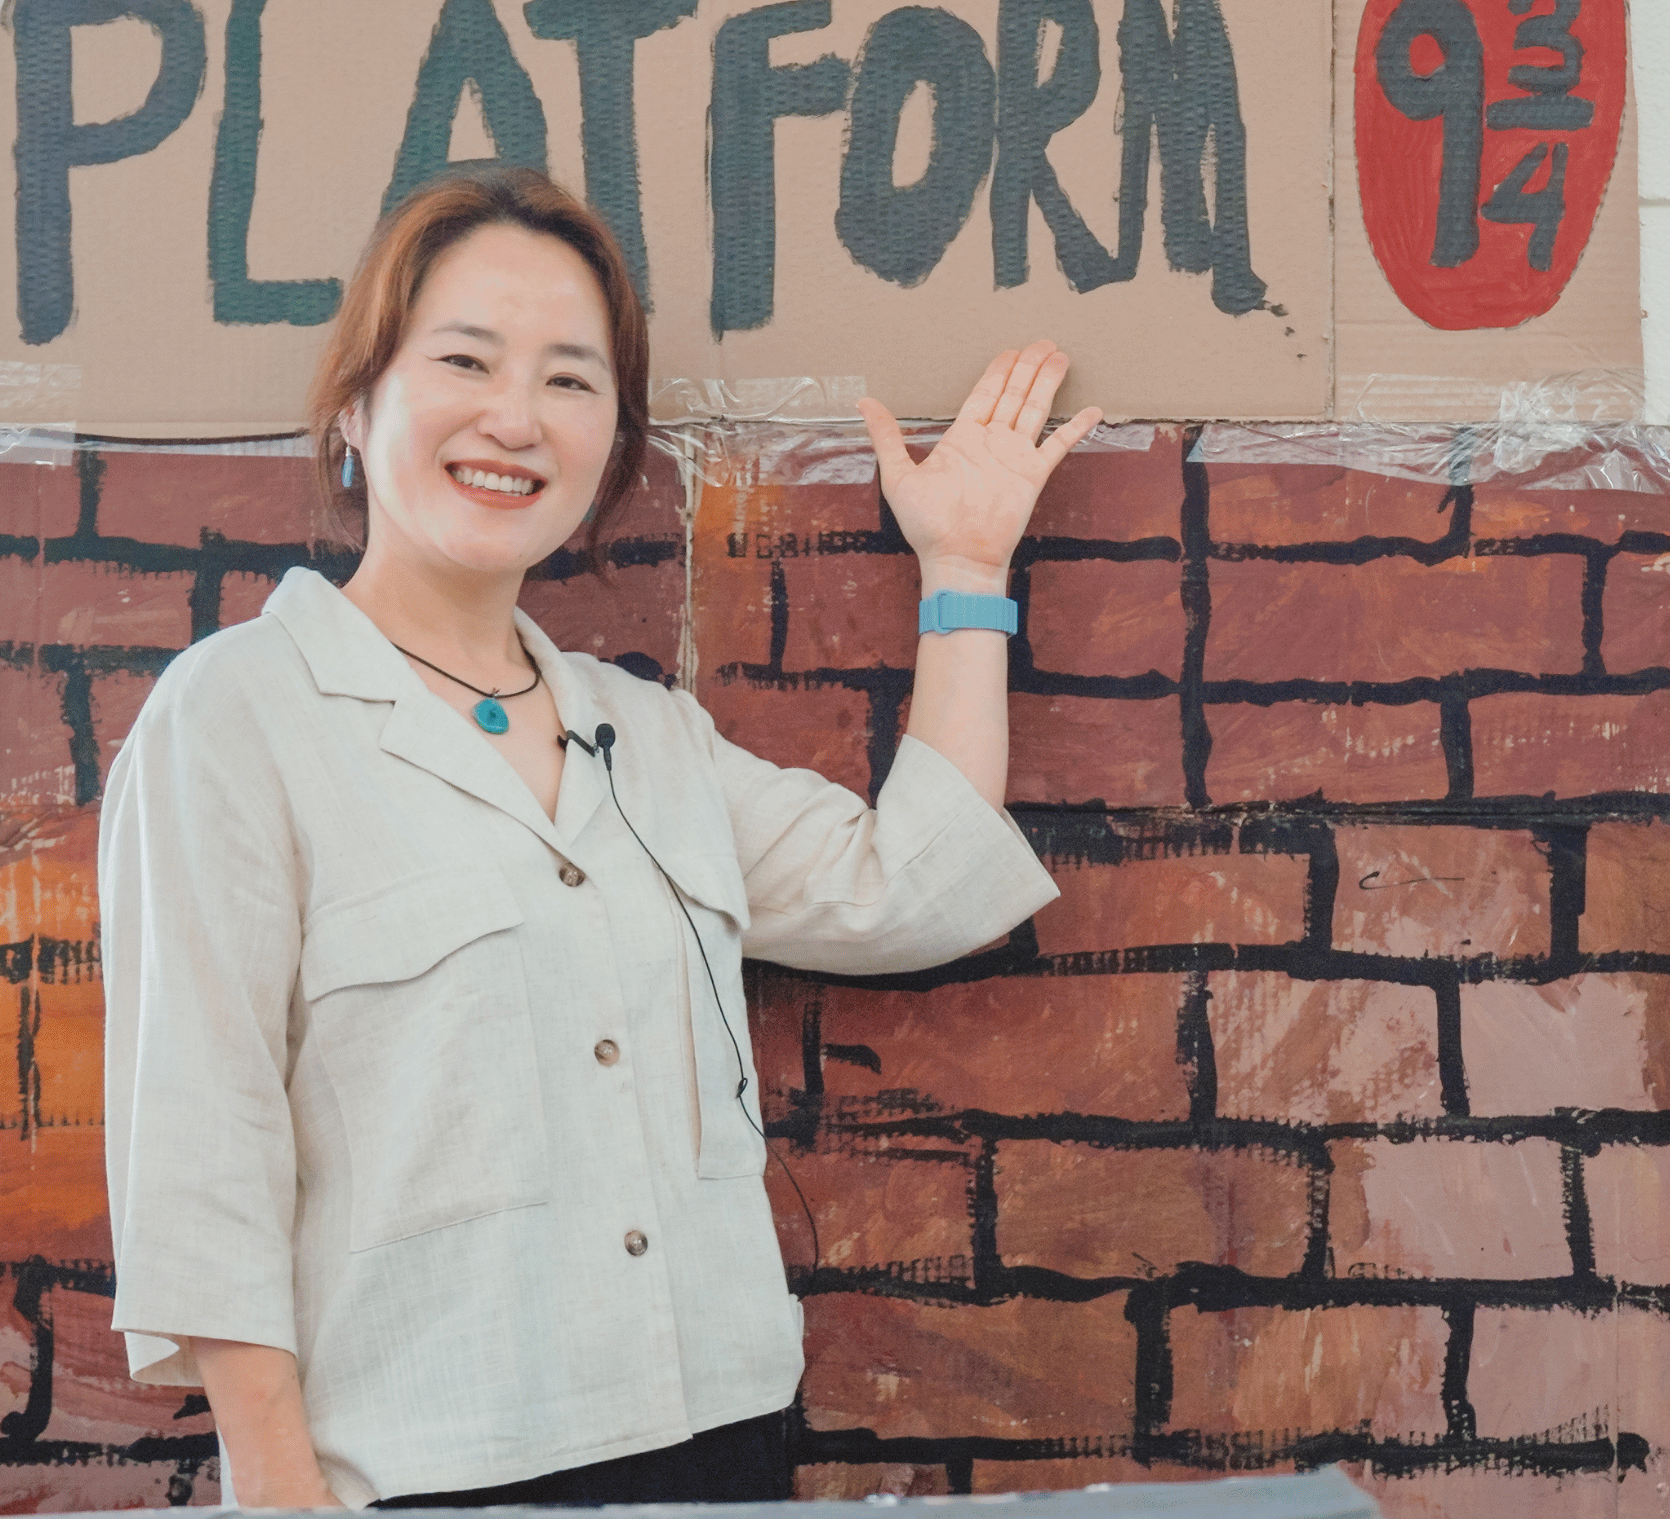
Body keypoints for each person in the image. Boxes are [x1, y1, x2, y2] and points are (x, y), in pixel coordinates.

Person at [98, 164, 1097, 1508]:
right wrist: (273, 1483)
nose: (516, 417)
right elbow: (199, 1140)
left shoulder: (650, 736)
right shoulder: (238, 715)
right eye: (466, 360)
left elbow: (904, 885)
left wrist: (968, 575)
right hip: (431, 1469)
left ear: (610, 447)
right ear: (355, 408)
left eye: (571, 380)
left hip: (723, 1435)